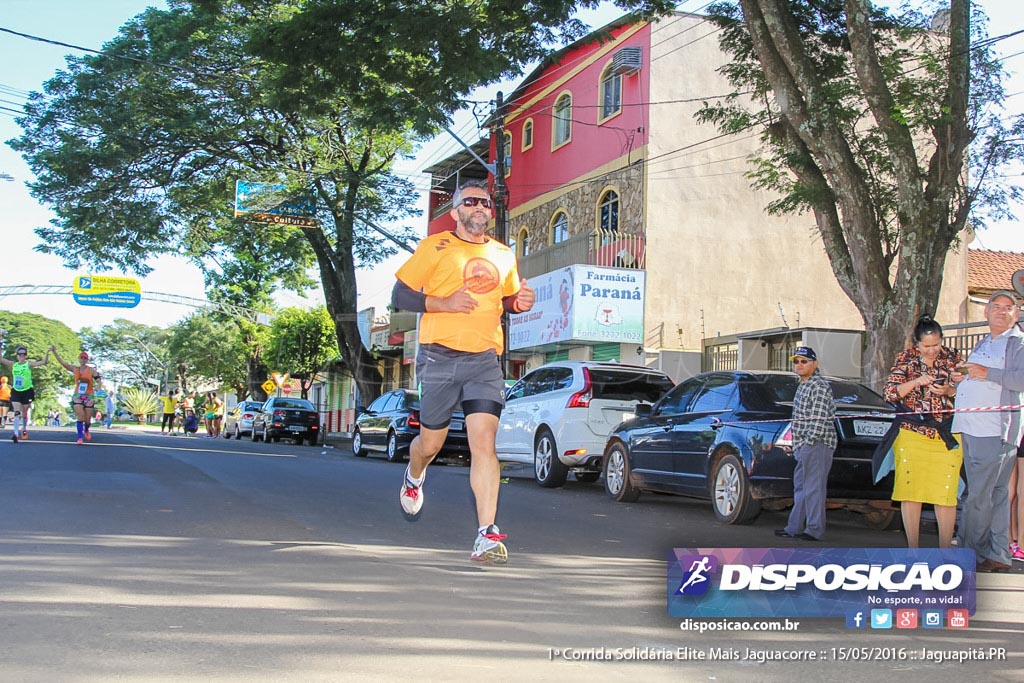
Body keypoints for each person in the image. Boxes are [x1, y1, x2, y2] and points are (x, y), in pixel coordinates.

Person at [391, 179, 535, 563]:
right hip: (438, 357)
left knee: (484, 444)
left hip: (484, 359)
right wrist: (443, 302)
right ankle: (414, 473)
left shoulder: (504, 254)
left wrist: (518, 302)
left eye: (485, 203)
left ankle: (486, 534)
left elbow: (504, 298)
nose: (480, 207)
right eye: (470, 201)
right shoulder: (434, 246)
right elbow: (400, 295)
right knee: (431, 445)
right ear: (455, 212)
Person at [953, 290, 1024, 572]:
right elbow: (977, 376)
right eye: (996, 306)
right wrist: (958, 381)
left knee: (978, 495)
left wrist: (986, 373)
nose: (1001, 311)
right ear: (986, 312)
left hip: (994, 429)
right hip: (970, 427)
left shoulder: (1017, 343)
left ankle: (970, 553)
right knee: (995, 494)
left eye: (1009, 307)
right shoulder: (984, 342)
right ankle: (998, 553)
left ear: (1016, 315)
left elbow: (1020, 379)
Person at [878, 315, 963, 548]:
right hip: (912, 433)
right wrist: (915, 383)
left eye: (936, 344)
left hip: (946, 435)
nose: (932, 350)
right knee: (911, 492)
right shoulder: (905, 359)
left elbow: (969, 390)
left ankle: (944, 550)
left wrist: (950, 389)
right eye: (926, 346)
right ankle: (913, 549)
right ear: (916, 344)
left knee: (946, 493)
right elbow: (890, 393)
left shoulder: (954, 357)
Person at [775, 346, 836, 542]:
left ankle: (814, 529)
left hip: (817, 444)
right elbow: (798, 419)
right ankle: (793, 527)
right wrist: (795, 443)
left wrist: (807, 443)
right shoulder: (803, 385)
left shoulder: (818, 385)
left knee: (814, 488)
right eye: (796, 361)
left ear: (814, 364)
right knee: (801, 486)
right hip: (803, 444)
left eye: (804, 361)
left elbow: (818, 419)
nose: (799, 365)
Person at [0, 345, 50, 442]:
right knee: (17, 412)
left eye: (24, 354)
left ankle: (24, 428)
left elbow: (44, 362)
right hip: (16, 391)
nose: (22, 356)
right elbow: (1, 359)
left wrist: (48, 352)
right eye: (20, 354)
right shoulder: (14, 364)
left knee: (24, 413)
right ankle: (15, 433)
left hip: (27, 391)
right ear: (17, 355)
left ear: (26, 355)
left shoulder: (28, 364)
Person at [51, 348, 98, 445]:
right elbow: (63, 363)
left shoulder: (91, 370)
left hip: (89, 395)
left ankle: (87, 430)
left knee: (87, 418)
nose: (83, 360)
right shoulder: (75, 369)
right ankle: (80, 437)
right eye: (81, 358)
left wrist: (98, 385)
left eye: (85, 358)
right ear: (79, 359)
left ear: (87, 360)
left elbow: (98, 379)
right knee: (80, 416)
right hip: (78, 395)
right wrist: (55, 352)